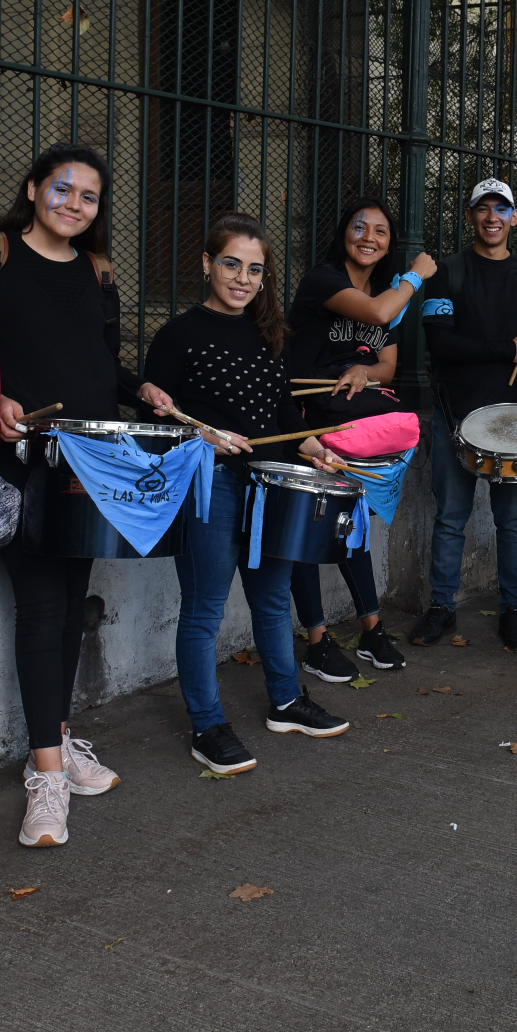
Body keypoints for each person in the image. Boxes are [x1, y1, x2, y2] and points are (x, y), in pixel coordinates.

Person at [0, 143, 176, 848]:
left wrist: (137, 386)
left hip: (89, 460)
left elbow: (95, 356)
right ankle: (46, 777)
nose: (74, 204)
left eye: (88, 196)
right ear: (32, 189)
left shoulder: (98, 270)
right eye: (62, 189)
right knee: (41, 606)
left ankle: (53, 742)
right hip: (14, 458)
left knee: (67, 610)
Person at [146, 212, 352, 776]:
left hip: (270, 483)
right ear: (207, 263)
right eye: (231, 264)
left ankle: (286, 702)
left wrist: (314, 449)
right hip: (209, 485)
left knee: (270, 599)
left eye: (255, 270)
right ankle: (207, 725)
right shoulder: (177, 335)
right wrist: (200, 434)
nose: (242, 278)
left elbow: (281, 413)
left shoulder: (270, 335)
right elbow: (155, 419)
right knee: (206, 609)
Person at [416, 178, 517, 650]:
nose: (492, 217)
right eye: (482, 209)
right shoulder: (448, 272)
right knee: (450, 517)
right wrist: (504, 349)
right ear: (470, 216)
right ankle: (442, 608)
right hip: (454, 415)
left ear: (515, 218)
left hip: (515, 424)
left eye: (501, 209)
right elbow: (440, 342)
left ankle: (513, 610)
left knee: (512, 521)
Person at [282, 196, 435, 681]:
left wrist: (361, 369)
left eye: (380, 231)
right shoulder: (324, 280)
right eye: (360, 227)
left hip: (352, 429)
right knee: (303, 533)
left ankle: (371, 629)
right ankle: (318, 641)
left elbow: (386, 364)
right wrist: (416, 275)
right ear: (343, 233)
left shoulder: (385, 296)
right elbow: (374, 311)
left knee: (352, 526)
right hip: (304, 424)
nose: (369, 237)